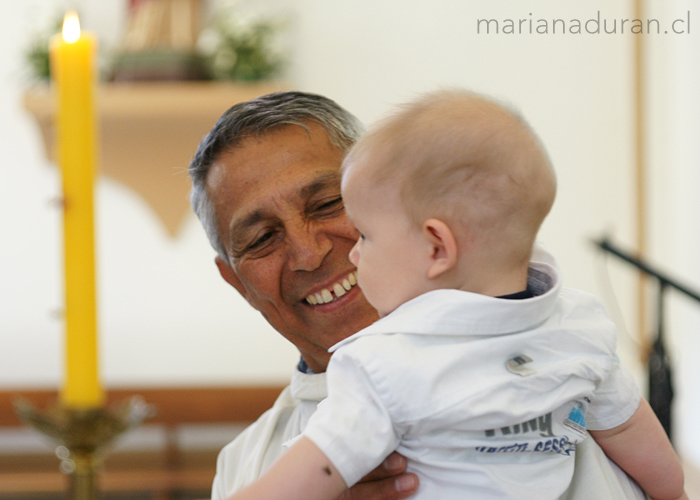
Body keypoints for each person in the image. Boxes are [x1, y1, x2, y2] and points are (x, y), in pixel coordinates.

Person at [188, 90, 675, 500]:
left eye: (329, 203)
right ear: (236, 281)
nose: (308, 253)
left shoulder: (564, 355)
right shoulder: (245, 465)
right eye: (260, 239)